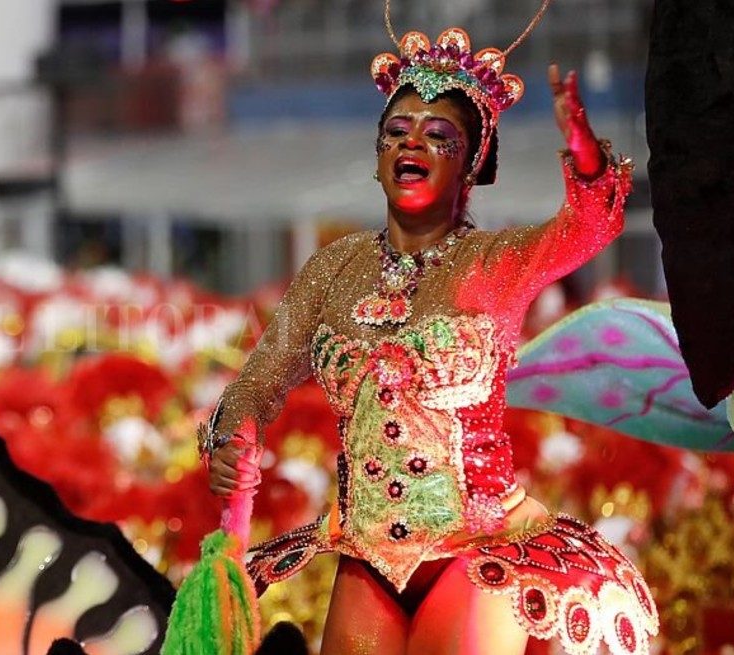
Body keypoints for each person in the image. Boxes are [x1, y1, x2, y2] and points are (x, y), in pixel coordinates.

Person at [199, 18, 658, 655]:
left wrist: (583, 150)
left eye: (439, 136)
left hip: (481, 553)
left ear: (469, 165)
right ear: (378, 153)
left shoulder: (497, 263)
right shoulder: (332, 269)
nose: (411, 142)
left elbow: (590, 226)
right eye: (395, 130)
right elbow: (259, 381)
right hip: (367, 556)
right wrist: (232, 440)